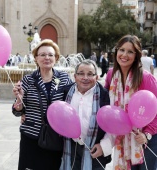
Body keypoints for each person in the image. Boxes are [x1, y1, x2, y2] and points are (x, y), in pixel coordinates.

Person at [12, 39, 73, 170]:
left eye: (51, 55)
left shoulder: (64, 78)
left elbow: (71, 106)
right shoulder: (28, 79)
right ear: (36, 58)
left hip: (55, 137)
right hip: (31, 136)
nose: (47, 58)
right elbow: (17, 111)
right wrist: (19, 99)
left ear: (56, 58)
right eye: (43, 55)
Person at [102, 35, 157, 170]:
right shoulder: (111, 75)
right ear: (116, 52)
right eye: (121, 50)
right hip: (123, 138)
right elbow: (104, 101)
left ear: (136, 55)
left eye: (130, 51)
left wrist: (147, 134)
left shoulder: (145, 77)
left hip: (145, 139)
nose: (124, 55)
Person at [61, 59, 111, 170]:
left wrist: (104, 146)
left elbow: (112, 125)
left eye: (90, 74)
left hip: (95, 149)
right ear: (75, 76)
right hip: (70, 148)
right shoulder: (65, 92)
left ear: (96, 77)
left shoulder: (105, 95)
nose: (85, 78)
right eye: (81, 74)